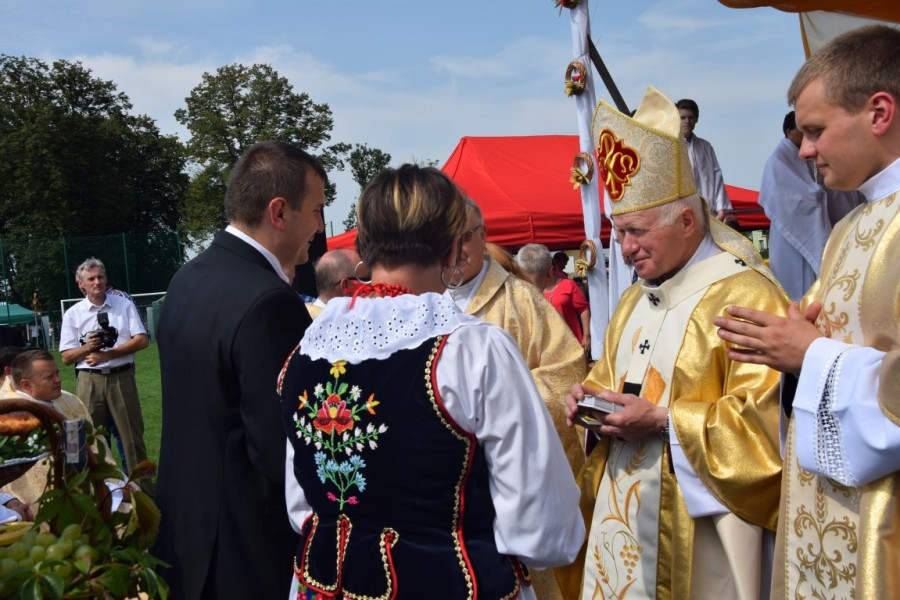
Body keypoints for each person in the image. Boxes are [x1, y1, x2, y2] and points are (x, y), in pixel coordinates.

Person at [279, 164, 584, 599]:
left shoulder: (308, 348)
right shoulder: (474, 350)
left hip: (328, 584)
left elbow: (302, 505)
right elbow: (542, 531)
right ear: (454, 248)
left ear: (365, 245)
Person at [557, 87, 788, 600]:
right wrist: (588, 400)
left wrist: (663, 421)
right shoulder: (636, 298)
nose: (626, 248)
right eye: (617, 233)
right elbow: (608, 377)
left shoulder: (745, 294)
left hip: (699, 531)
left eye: (636, 231)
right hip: (623, 518)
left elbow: (765, 428)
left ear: (687, 221)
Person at [714, 25, 900, 598]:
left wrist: (810, 353)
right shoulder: (849, 225)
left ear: (880, 111)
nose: (804, 150)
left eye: (816, 130)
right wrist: (797, 342)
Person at [154, 141, 326, 600]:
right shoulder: (270, 302)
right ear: (279, 211)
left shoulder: (187, 277)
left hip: (183, 532)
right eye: (316, 209)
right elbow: (279, 451)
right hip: (244, 551)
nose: (320, 226)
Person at [59, 258, 149, 482]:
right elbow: (66, 357)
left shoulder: (124, 305)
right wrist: (88, 347)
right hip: (89, 381)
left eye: (101, 277)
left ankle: (142, 491)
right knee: (90, 438)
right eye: (91, 279)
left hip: (122, 376)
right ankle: (100, 491)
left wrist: (107, 354)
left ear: (106, 279)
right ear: (81, 284)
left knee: (132, 438)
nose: (97, 282)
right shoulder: (73, 314)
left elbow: (141, 340)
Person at [759, 110, 863, 300]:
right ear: (789, 131)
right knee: (797, 285)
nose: (809, 139)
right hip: (791, 233)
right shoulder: (778, 160)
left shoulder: (817, 154)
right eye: (803, 131)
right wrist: (817, 197)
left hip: (829, 221)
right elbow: (786, 198)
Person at [517, 243, 591, 353]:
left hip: (572, 341)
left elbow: (584, 309)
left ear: (551, 269)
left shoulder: (568, 284)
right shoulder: (532, 290)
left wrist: (586, 335)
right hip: (547, 347)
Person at [676, 98, 732, 221]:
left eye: (691, 117)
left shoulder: (705, 147)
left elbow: (717, 176)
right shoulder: (671, 147)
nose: (687, 121)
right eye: (683, 117)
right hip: (682, 214)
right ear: (676, 119)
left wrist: (721, 208)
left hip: (708, 213)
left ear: (696, 119)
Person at [306, 248, 364, 318]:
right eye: (365, 280)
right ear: (345, 286)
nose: (372, 285)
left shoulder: (301, 314)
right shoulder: (337, 325)